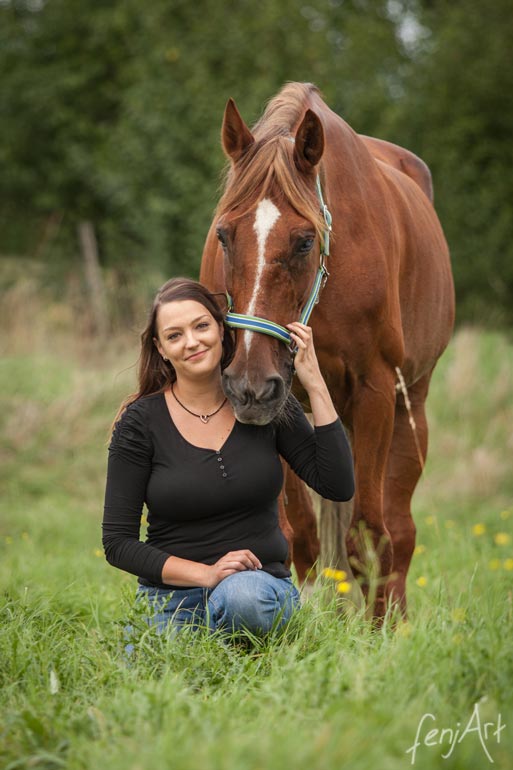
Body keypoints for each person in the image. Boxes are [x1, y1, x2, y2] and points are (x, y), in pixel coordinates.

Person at [102, 277, 354, 641]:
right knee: (156, 659)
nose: (192, 342)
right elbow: (117, 542)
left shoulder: (264, 402)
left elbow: (338, 484)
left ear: (221, 328)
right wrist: (207, 574)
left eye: (201, 326)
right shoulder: (140, 423)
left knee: (242, 600)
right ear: (160, 348)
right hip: (170, 596)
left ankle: (242, 641)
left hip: (256, 589)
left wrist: (314, 384)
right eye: (175, 336)